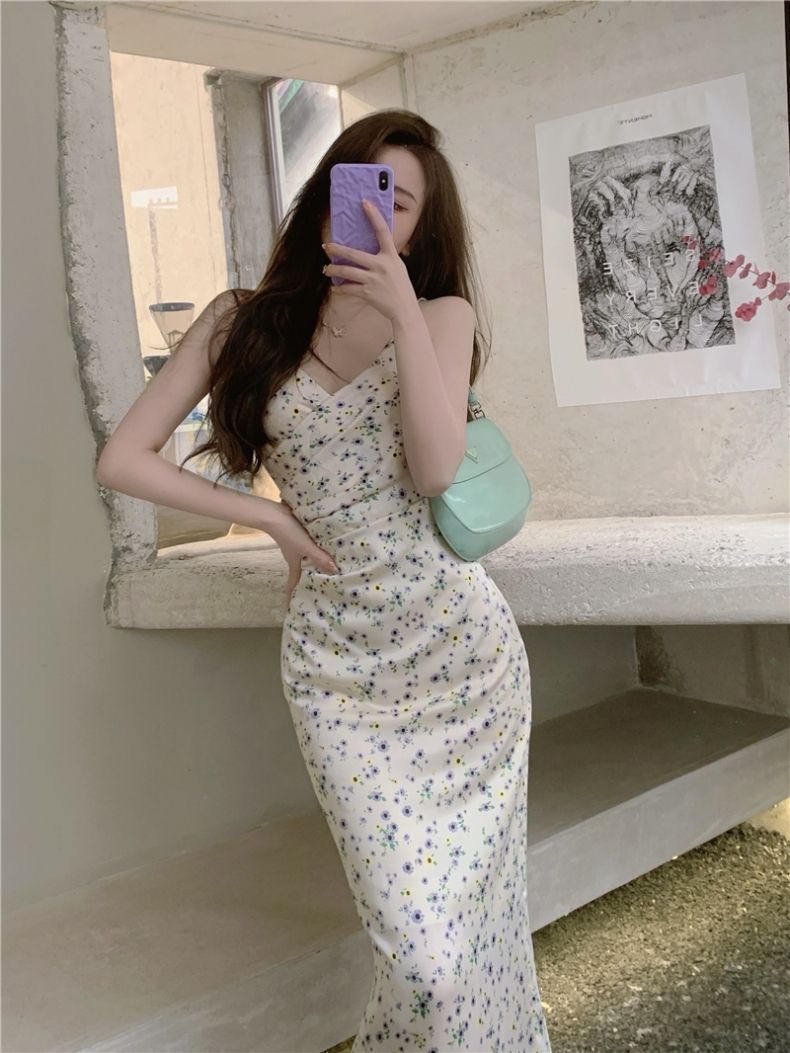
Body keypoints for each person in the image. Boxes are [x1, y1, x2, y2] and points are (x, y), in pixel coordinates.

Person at [96, 108, 552, 1053]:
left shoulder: (442, 317)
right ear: (325, 195)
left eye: (402, 202)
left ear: (423, 226)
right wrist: (268, 516)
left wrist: (401, 310)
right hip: (339, 673)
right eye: (363, 186)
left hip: (460, 661)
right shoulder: (242, 321)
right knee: (418, 954)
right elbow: (123, 457)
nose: (378, 213)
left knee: (467, 942)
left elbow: (434, 469)